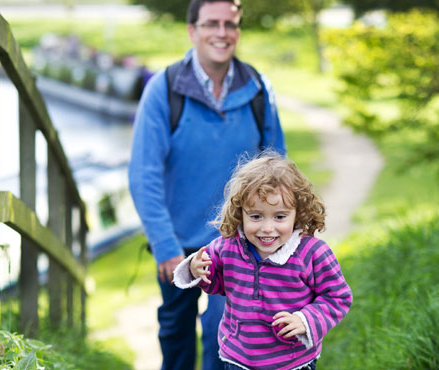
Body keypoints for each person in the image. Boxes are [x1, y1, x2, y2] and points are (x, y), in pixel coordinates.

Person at [127, 0, 287, 368]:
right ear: (192, 30)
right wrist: (166, 247)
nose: (221, 33)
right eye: (211, 23)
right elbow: (143, 175)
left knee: (223, 331)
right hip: (178, 243)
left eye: (230, 24)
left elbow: (278, 170)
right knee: (175, 332)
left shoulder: (260, 89)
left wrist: (278, 234)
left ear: (238, 31)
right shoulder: (163, 89)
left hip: (238, 243)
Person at [172, 153, 352, 370]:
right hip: (238, 357)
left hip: (291, 361)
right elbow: (217, 283)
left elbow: (338, 296)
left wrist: (306, 320)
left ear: (298, 214)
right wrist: (196, 270)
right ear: (240, 213)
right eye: (256, 216)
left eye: (279, 216)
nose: (267, 228)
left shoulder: (313, 253)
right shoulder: (228, 247)